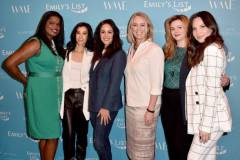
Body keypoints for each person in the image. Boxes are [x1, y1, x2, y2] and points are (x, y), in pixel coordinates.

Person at [3, 11, 65, 160]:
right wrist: (26, 81)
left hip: (54, 93)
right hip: (40, 93)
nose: (55, 27)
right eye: (51, 23)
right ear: (43, 23)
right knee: (53, 134)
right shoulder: (36, 42)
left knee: (45, 134)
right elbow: (9, 63)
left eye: (58, 24)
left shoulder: (53, 44)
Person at [186, 11, 232, 160]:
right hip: (209, 117)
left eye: (202, 26)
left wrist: (206, 126)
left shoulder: (211, 50)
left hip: (212, 120)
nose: (198, 32)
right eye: (194, 28)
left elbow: (212, 91)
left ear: (211, 28)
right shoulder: (206, 48)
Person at [125, 12, 164, 159]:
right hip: (131, 107)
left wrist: (150, 110)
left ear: (148, 28)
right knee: (134, 151)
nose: (138, 29)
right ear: (130, 28)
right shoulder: (131, 49)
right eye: (134, 25)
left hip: (146, 107)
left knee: (144, 154)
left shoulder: (154, 50)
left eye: (142, 25)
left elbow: (157, 84)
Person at [88, 19, 126, 160]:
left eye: (109, 32)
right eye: (102, 32)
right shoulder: (97, 53)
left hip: (106, 106)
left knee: (98, 142)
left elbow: (115, 83)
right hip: (93, 105)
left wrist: (106, 107)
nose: (106, 35)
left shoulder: (119, 54)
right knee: (102, 140)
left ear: (115, 34)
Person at [160, 15, 193, 160]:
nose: (176, 31)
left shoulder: (196, 50)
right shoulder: (167, 50)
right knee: (172, 144)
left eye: (180, 27)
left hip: (185, 102)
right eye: (172, 28)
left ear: (187, 28)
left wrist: (225, 81)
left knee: (183, 146)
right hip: (167, 102)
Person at [60, 22, 93, 160]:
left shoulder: (92, 55)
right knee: (67, 134)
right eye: (78, 32)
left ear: (88, 36)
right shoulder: (65, 52)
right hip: (67, 96)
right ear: (74, 34)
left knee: (82, 134)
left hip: (83, 97)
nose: (80, 36)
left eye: (84, 33)